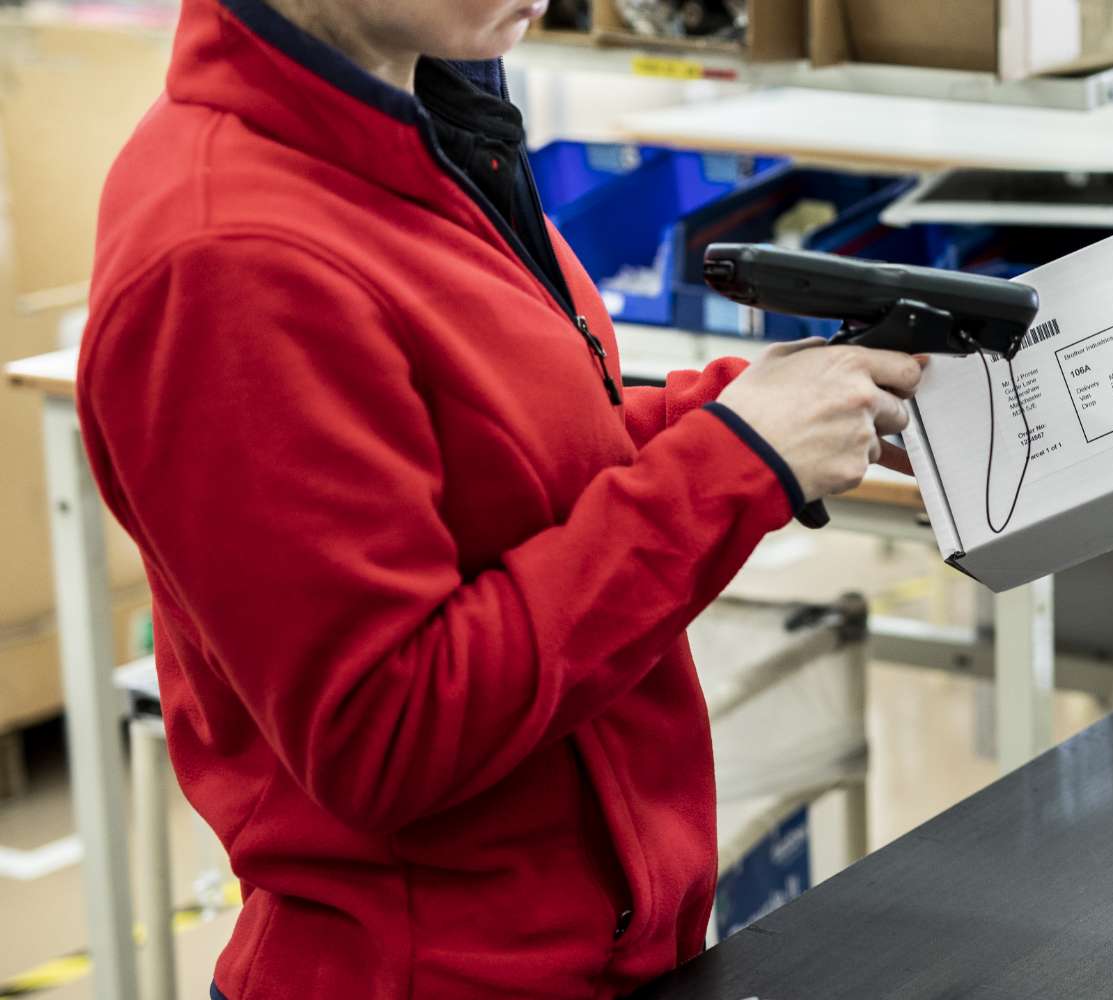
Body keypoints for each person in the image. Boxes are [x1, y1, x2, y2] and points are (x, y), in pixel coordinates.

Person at [76, 0, 922, 996]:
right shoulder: (228, 261)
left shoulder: (413, 125)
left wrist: (747, 411)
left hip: (590, 948)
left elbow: (521, 457)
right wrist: (735, 466)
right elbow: (383, 730)